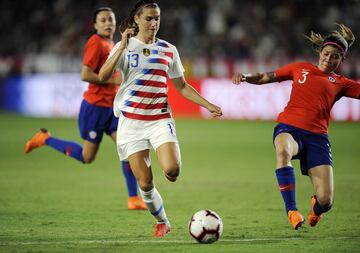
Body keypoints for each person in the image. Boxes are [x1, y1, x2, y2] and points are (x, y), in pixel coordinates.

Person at [99, 0, 222, 237]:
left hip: (159, 120)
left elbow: (182, 86)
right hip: (131, 123)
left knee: (172, 170)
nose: (154, 23)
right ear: (136, 19)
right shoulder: (125, 46)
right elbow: (104, 76)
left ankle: (167, 167)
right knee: (144, 183)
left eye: (157, 18)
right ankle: (162, 221)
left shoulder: (168, 49)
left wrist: (208, 105)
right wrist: (121, 47)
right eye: (148, 18)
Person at [232, 24, 359, 230]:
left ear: (342, 60)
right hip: (289, 128)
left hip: (317, 138)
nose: (328, 58)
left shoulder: (341, 83)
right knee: (283, 151)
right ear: (320, 51)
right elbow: (267, 76)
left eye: (335, 56)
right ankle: (291, 211)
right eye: (326, 53)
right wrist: (246, 76)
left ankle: (315, 209)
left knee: (326, 201)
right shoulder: (301, 68)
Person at [24, 7, 146, 211]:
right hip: (95, 108)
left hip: (112, 108)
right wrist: (109, 79)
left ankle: (133, 198)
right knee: (87, 157)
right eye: (103, 20)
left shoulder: (112, 44)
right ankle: (44, 138)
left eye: (111, 20)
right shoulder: (95, 43)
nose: (108, 23)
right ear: (95, 25)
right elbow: (85, 74)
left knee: (127, 149)